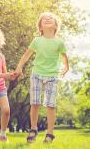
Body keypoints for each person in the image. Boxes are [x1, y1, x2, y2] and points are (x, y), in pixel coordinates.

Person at [14, 12, 69, 143]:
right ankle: (33, 129)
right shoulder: (37, 41)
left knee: (51, 104)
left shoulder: (59, 42)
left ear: (56, 26)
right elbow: (26, 55)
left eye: (51, 18)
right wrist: (19, 67)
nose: (48, 18)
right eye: (44, 18)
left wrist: (66, 67)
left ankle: (50, 133)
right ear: (40, 26)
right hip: (37, 74)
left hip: (53, 76)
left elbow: (64, 57)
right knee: (35, 102)